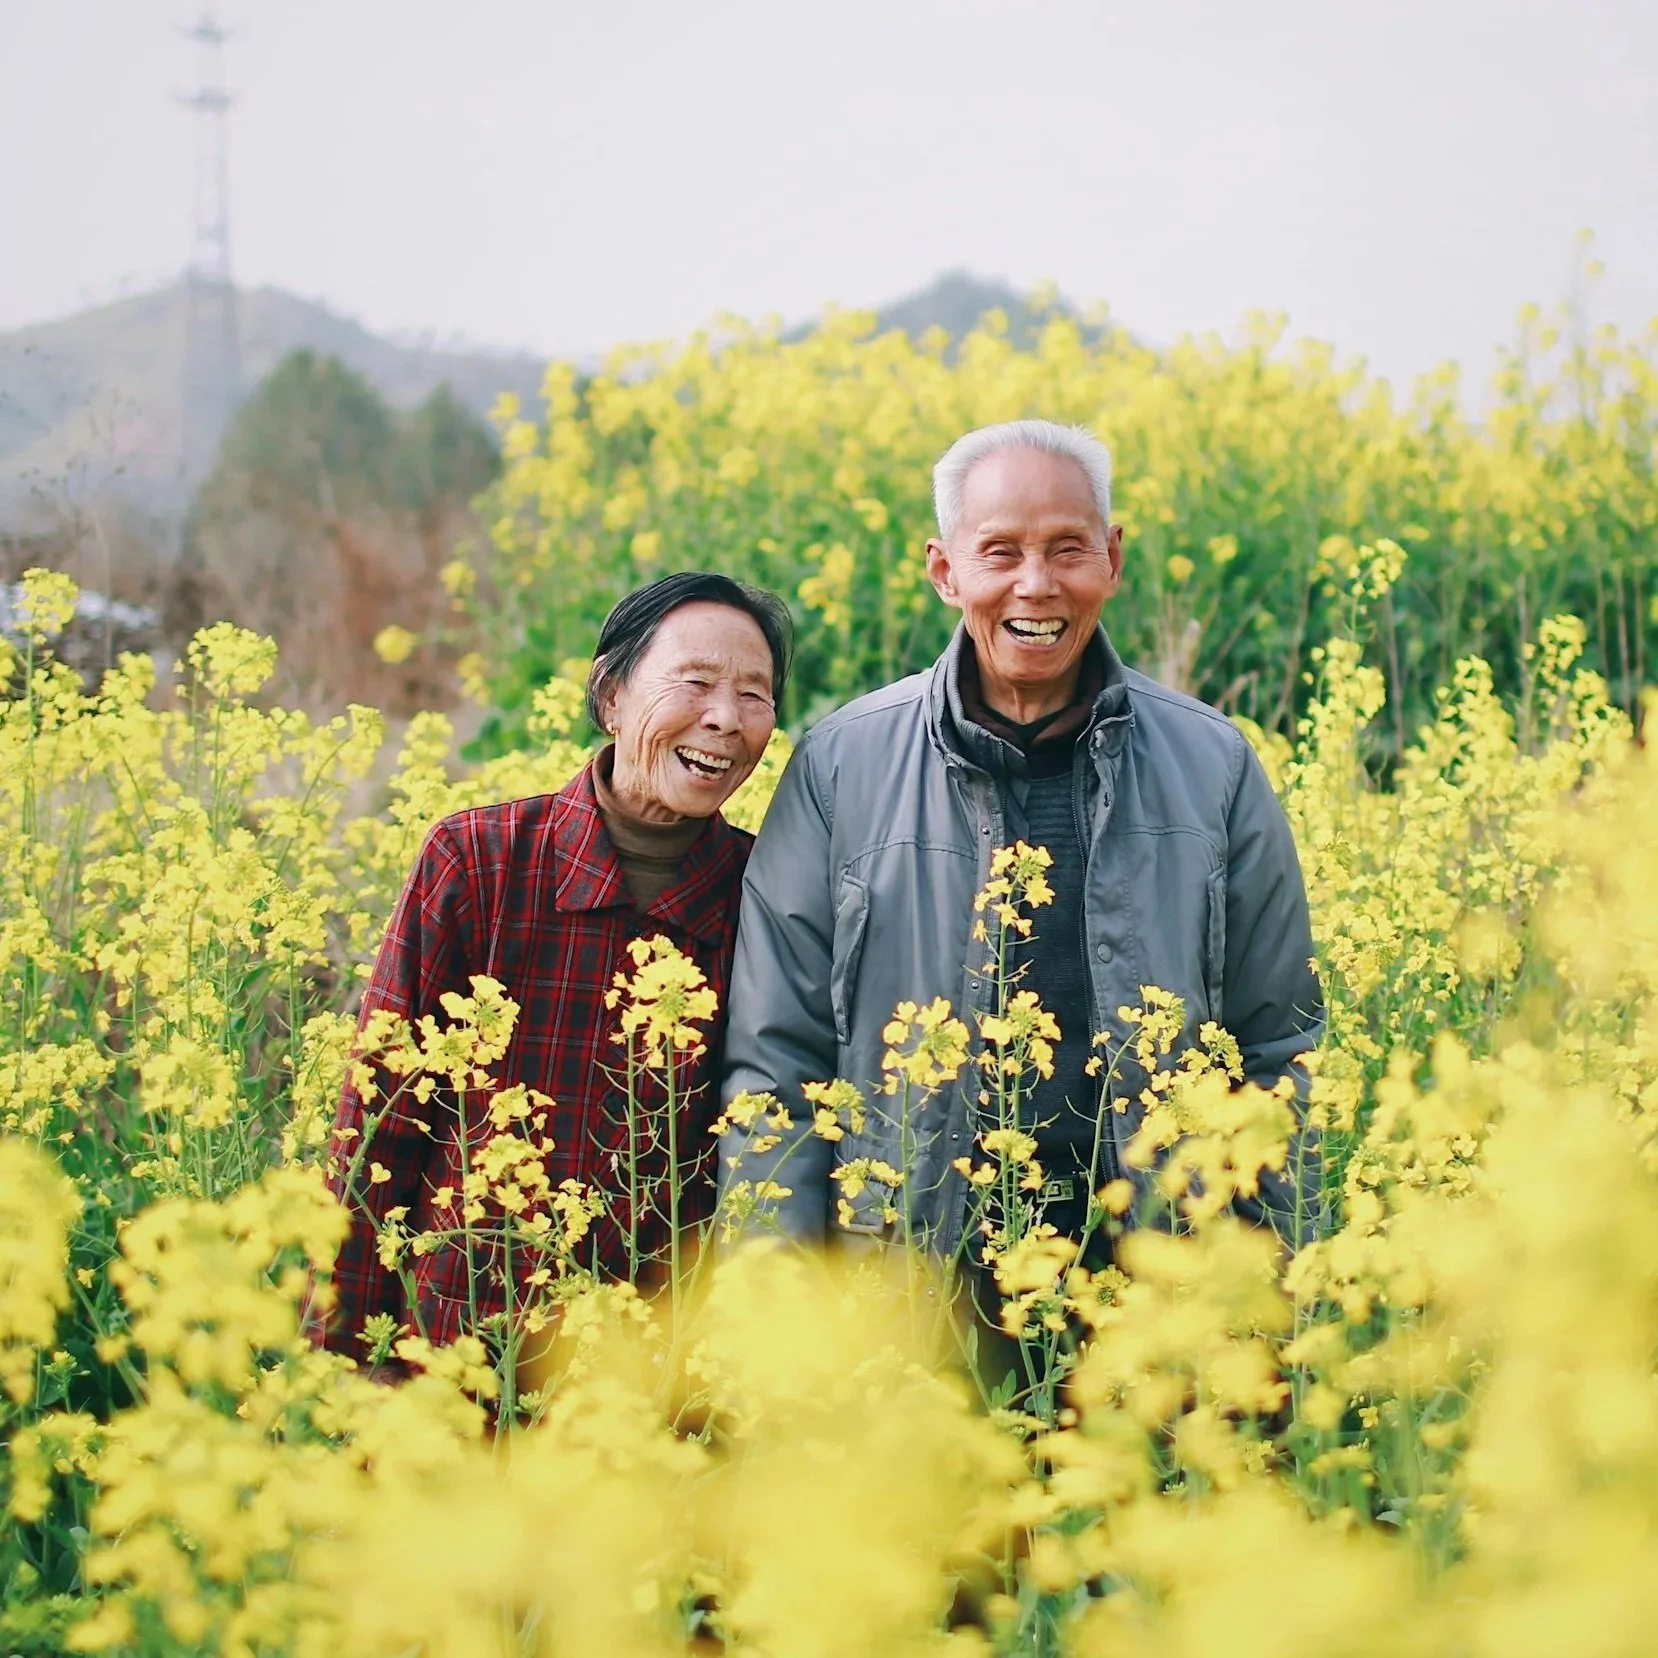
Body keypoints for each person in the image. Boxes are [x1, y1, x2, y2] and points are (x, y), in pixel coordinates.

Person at [718, 419, 1322, 1274]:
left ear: (1112, 559)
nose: (1035, 586)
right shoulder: (840, 766)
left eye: (1068, 549)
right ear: (945, 570)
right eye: (1000, 552)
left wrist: (1271, 1295)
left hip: (1160, 1284)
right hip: (914, 1286)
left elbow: (1279, 1047)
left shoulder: (1213, 764)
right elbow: (778, 1063)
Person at [322, 571, 791, 1360]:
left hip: (645, 1391)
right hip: (455, 1359)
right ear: (610, 697)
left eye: (755, 695)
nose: (724, 719)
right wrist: (333, 1367)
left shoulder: (770, 893)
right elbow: (378, 1130)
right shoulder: (479, 862)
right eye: (697, 683)